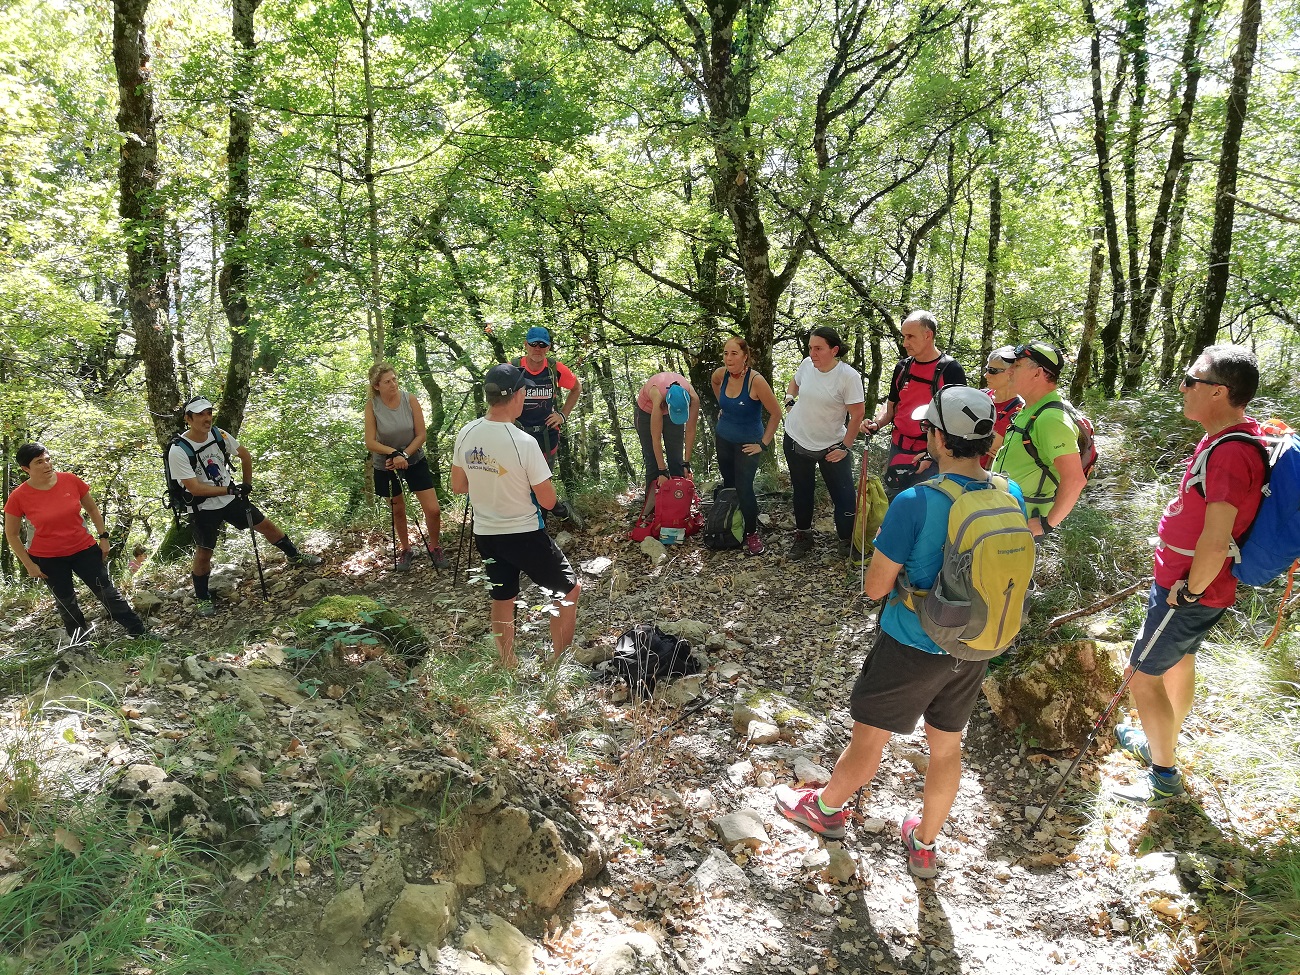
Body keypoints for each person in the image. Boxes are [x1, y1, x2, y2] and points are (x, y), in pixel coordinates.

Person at [776, 386, 1025, 878]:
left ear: (938, 438)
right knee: (946, 747)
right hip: (976, 643)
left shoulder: (914, 501)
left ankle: (825, 810)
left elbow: (874, 587)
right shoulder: (1008, 491)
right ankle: (925, 844)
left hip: (912, 643)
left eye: (929, 427)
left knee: (871, 737)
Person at [1113, 346, 1267, 804]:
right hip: (1186, 583)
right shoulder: (1224, 437)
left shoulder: (1230, 454)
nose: (1182, 387)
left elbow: (1217, 539)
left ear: (1218, 392)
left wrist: (1191, 589)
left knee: (1140, 675)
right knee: (1178, 660)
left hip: (1191, 589)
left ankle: (1164, 778)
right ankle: (1163, 743)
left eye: (1191, 380)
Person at [451, 364, 581, 668]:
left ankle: (507, 662)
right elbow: (548, 501)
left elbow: (459, 486)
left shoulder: (467, 432)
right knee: (569, 591)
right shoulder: (523, 442)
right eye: (524, 390)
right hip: (523, 533)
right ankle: (558, 664)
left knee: (503, 596)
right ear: (517, 396)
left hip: (485, 532)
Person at [168, 396, 322, 616]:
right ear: (188, 419)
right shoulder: (179, 450)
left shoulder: (218, 434)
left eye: (209, 413)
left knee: (265, 524)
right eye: (200, 414)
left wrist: (247, 484)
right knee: (204, 551)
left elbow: (245, 455)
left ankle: (294, 555)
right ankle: (202, 597)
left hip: (230, 497)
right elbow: (194, 488)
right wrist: (230, 489)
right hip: (202, 507)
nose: (207, 418)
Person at [4, 443, 147, 640]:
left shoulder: (70, 480)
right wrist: (28, 564)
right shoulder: (18, 496)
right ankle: (81, 644)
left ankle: (138, 631)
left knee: (107, 592)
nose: (46, 465)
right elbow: (11, 534)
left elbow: (93, 509)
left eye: (47, 459)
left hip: (84, 549)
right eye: (39, 462)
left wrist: (104, 538)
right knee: (66, 602)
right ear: (25, 469)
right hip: (48, 558)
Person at [783, 327, 866, 559]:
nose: (812, 353)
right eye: (810, 348)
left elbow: (857, 414)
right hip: (797, 438)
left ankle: (846, 541)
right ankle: (804, 537)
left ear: (834, 350)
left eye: (818, 348)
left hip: (832, 444)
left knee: (845, 496)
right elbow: (794, 382)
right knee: (802, 491)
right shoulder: (807, 365)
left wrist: (845, 447)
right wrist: (790, 399)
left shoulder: (848, 377)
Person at [865, 310, 967, 498]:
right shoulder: (902, 368)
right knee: (896, 503)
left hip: (933, 455)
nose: (905, 343)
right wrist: (876, 423)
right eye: (904, 336)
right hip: (898, 450)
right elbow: (891, 407)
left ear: (928, 335)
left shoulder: (951, 370)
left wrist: (933, 454)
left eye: (910, 336)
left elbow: (959, 422)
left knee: (928, 508)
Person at [991, 341, 1087, 537]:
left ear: (1038, 373)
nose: (1009, 372)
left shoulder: (1051, 419)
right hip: (1006, 515)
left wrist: (1047, 524)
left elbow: (1075, 479)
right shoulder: (1031, 408)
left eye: (1017, 366)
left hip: (1021, 523)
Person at [363, 363, 448, 570]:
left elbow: (421, 435)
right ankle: (405, 549)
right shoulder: (372, 406)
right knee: (398, 510)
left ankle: (435, 547)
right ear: (376, 386)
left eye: (394, 379)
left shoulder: (409, 399)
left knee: (433, 509)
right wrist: (392, 454)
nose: (393, 384)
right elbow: (370, 441)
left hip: (414, 459)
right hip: (386, 464)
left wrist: (404, 454)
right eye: (387, 381)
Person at [710, 337, 782, 555]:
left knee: (744, 487)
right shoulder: (721, 374)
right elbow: (714, 383)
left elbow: (776, 413)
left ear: (745, 356)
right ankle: (733, 520)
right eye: (725, 353)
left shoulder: (755, 381)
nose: (729, 358)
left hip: (748, 443)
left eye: (734, 353)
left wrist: (763, 444)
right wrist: (724, 408)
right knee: (730, 484)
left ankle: (751, 533)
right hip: (723, 438)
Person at [516, 326, 582, 524]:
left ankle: (539, 526)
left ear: (548, 347)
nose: (538, 348)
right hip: (518, 436)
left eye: (542, 345)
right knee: (519, 482)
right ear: (526, 345)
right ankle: (523, 523)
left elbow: (576, 388)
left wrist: (563, 414)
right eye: (533, 344)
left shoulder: (555, 369)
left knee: (542, 482)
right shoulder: (513, 368)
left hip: (546, 436)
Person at [634, 371, 701, 498]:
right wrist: (662, 471)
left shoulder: (693, 397)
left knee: (677, 461)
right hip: (646, 413)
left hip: (672, 408)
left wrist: (686, 463)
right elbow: (656, 438)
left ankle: (678, 505)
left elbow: (691, 429)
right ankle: (653, 508)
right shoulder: (657, 396)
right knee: (652, 462)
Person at [982, 346, 1024, 467]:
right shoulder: (980, 396)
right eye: (987, 369)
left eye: (993, 370)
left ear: (1011, 373)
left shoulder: (1019, 408)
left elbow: (987, 444)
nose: (986, 375)